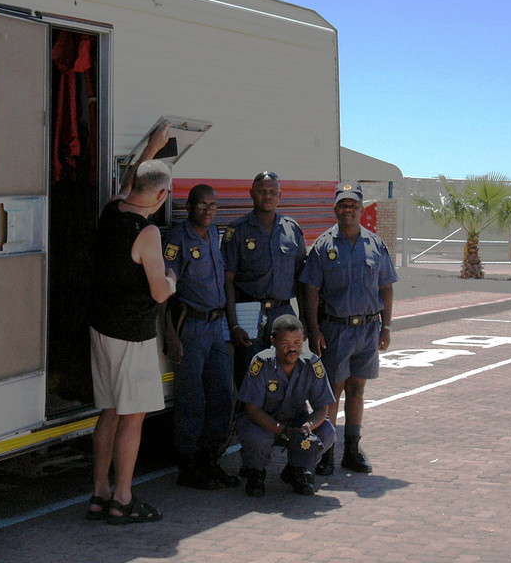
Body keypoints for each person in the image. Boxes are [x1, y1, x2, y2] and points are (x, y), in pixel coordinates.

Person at [86, 125, 174, 525]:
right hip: (133, 335)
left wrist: (152, 148)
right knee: (133, 416)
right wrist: (173, 278)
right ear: (162, 196)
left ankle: (99, 493)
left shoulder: (112, 211)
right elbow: (158, 293)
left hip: (101, 328)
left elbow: (128, 184)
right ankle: (123, 498)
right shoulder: (148, 231)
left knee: (108, 412)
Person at [300, 181, 398, 476]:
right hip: (336, 330)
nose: (348, 210)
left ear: (361, 208)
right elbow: (311, 291)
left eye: (353, 205)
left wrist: (387, 327)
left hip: (368, 330)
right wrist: (314, 328)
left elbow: (387, 288)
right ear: (335, 209)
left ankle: (352, 450)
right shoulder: (323, 245)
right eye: (343, 205)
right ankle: (327, 451)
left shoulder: (375, 244)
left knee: (357, 389)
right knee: (333, 391)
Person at [163, 184, 240, 490]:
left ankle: (210, 460)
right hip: (191, 329)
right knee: (192, 400)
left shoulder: (215, 235)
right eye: (202, 205)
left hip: (216, 327)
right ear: (188, 207)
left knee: (222, 395)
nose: (208, 211)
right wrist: (170, 333)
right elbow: (165, 293)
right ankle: (189, 466)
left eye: (213, 206)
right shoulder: (177, 240)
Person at [221, 171, 308, 389]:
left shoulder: (291, 229)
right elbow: (227, 281)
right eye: (262, 191)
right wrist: (233, 325)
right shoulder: (237, 231)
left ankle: (282, 423)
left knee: (286, 375)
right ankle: (245, 423)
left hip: (283, 312)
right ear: (252, 194)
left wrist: (304, 320)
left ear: (280, 195)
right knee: (249, 377)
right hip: (249, 314)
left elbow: (301, 278)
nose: (267, 196)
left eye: (272, 192)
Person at [236, 314, 336, 497]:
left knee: (327, 432)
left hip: (296, 421)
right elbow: (252, 409)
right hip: (265, 422)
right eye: (286, 343)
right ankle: (256, 473)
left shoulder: (312, 364)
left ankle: (296, 470)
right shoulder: (260, 363)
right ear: (273, 341)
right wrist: (281, 430)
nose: (293, 348)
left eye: (297, 343)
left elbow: (322, 407)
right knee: (253, 435)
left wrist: (308, 426)